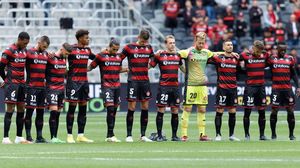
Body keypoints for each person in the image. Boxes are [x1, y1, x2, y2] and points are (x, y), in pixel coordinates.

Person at [178, 32, 218, 141]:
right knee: (187, 108)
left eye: (203, 43)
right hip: (191, 85)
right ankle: (184, 135)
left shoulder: (206, 52)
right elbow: (176, 54)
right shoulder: (188, 52)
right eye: (199, 43)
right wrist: (182, 68)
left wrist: (231, 53)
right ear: (195, 41)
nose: (201, 45)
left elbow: (217, 54)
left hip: (202, 86)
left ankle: (202, 135)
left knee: (202, 110)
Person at [88, 38, 127, 142]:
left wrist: (128, 69)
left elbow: (118, 69)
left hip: (117, 86)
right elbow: (90, 67)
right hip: (106, 86)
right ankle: (111, 134)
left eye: (117, 49)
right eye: (114, 49)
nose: (115, 51)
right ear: (109, 47)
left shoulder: (118, 57)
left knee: (114, 111)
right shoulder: (101, 56)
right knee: (110, 109)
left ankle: (109, 135)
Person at [121, 29, 154, 142]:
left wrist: (149, 66)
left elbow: (154, 59)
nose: (144, 43)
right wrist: (124, 69)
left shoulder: (149, 48)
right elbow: (118, 59)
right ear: (138, 37)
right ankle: (129, 135)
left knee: (145, 107)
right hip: (133, 81)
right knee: (132, 107)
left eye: (146, 41)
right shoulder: (129, 47)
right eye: (142, 41)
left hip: (145, 81)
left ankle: (143, 135)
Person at [149, 35, 184, 142]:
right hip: (164, 86)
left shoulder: (178, 56)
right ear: (166, 44)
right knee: (161, 110)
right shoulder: (160, 55)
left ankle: (174, 136)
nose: (172, 45)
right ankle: (159, 135)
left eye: (174, 43)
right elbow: (150, 66)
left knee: (175, 110)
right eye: (170, 43)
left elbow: (183, 69)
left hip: (175, 87)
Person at [0, 32, 30, 144]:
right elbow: (0, 67)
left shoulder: (24, 51)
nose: (26, 45)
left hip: (22, 84)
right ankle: (6, 138)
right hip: (12, 84)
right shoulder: (9, 51)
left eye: (27, 44)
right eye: (25, 43)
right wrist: (6, 80)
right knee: (10, 109)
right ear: (19, 39)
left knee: (22, 108)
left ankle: (19, 137)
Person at [65, 29, 95, 143]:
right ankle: (69, 135)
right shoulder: (71, 49)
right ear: (80, 38)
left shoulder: (88, 50)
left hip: (84, 82)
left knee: (83, 108)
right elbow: (62, 57)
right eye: (86, 38)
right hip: (73, 82)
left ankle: (81, 135)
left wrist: (91, 67)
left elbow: (97, 59)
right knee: (72, 108)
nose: (88, 39)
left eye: (88, 37)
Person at [208, 40, 240, 141]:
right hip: (222, 88)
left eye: (231, 45)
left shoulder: (236, 58)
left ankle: (231, 135)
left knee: (232, 111)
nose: (230, 46)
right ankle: (218, 135)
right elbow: (207, 55)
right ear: (223, 47)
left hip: (233, 88)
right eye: (228, 45)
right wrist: (219, 53)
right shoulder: (219, 58)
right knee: (220, 110)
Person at [267, 42, 300, 140]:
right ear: (277, 50)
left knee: (290, 110)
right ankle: (273, 134)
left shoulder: (290, 59)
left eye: (284, 50)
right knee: (274, 110)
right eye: (281, 50)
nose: (283, 52)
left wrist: (298, 87)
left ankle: (291, 134)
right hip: (276, 89)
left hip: (287, 89)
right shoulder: (272, 59)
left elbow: (294, 74)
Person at [239, 40, 269, 141]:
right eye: (258, 50)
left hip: (261, 87)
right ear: (254, 47)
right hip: (250, 87)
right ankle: (247, 135)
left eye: (261, 50)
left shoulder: (265, 55)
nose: (259, 52)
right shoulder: (246, 55)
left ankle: (262, 135)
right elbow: (236, 59)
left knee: (262, 112)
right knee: (247, 111)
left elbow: (271, 61)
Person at [24, 36, 50, 143]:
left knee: (40, 112)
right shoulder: (29, 53)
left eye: (46, 47)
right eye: (43, 46)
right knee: (29, 111)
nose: (44, 48)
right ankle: (28, 136)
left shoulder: (46, 55)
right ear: (39, 42)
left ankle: (39, 136)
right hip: (31, 87)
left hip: (42, 88)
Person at [46, 43, 73, 143]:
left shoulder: (64, 60)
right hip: (51, 88)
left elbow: (65, 72)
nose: (67, 55)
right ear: (62, 49)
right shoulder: (51, 57)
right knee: (53, 112)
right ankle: (52, 137)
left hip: (61, 89)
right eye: (66, 53)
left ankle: (55, 137)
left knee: (57, 114)